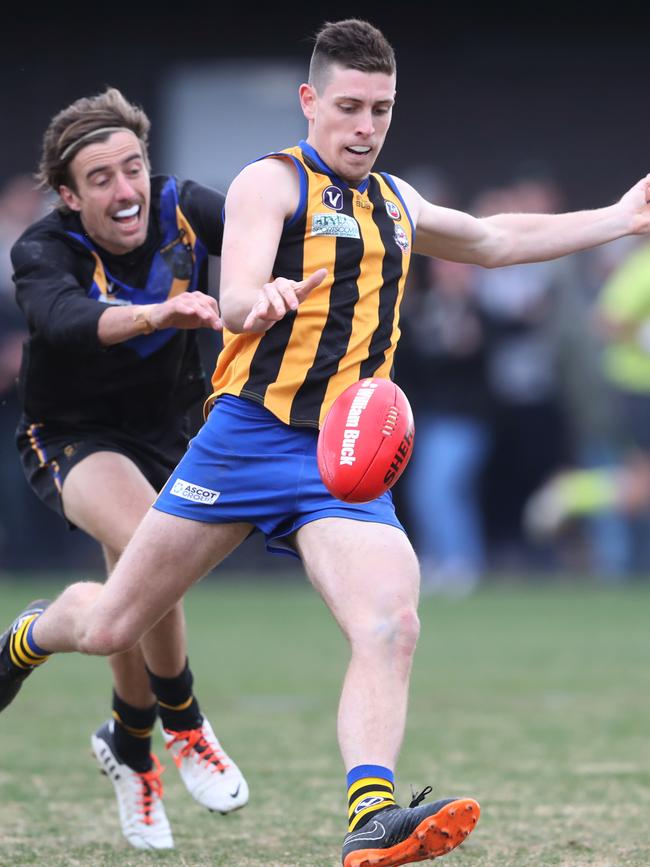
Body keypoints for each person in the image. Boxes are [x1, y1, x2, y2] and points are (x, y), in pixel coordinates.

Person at [2, 19, 650, 865]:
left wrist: (621, 216)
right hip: (241, 441)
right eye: (348, 106)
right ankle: (26, 635)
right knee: (116, 620)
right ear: (310, 101)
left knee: (391, 622)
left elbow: (493, 243)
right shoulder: (269, 184)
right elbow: (233, 290)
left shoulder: (398, 200)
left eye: (380, 108)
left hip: (340, 458)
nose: (365, 125)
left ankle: (371, 812)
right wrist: (254, 301)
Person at [2, 88, 248, 850]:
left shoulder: (183, 207)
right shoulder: (43, 249)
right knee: (154, 543)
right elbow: (67, 321)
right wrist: (157, 314)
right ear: (70, 196)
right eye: (100, 178)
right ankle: (183, 719)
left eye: (131, 167)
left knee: (130, 589)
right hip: (69, 433)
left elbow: (277, 233)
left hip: (166, 432)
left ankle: (121, 736)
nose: (124, 189)